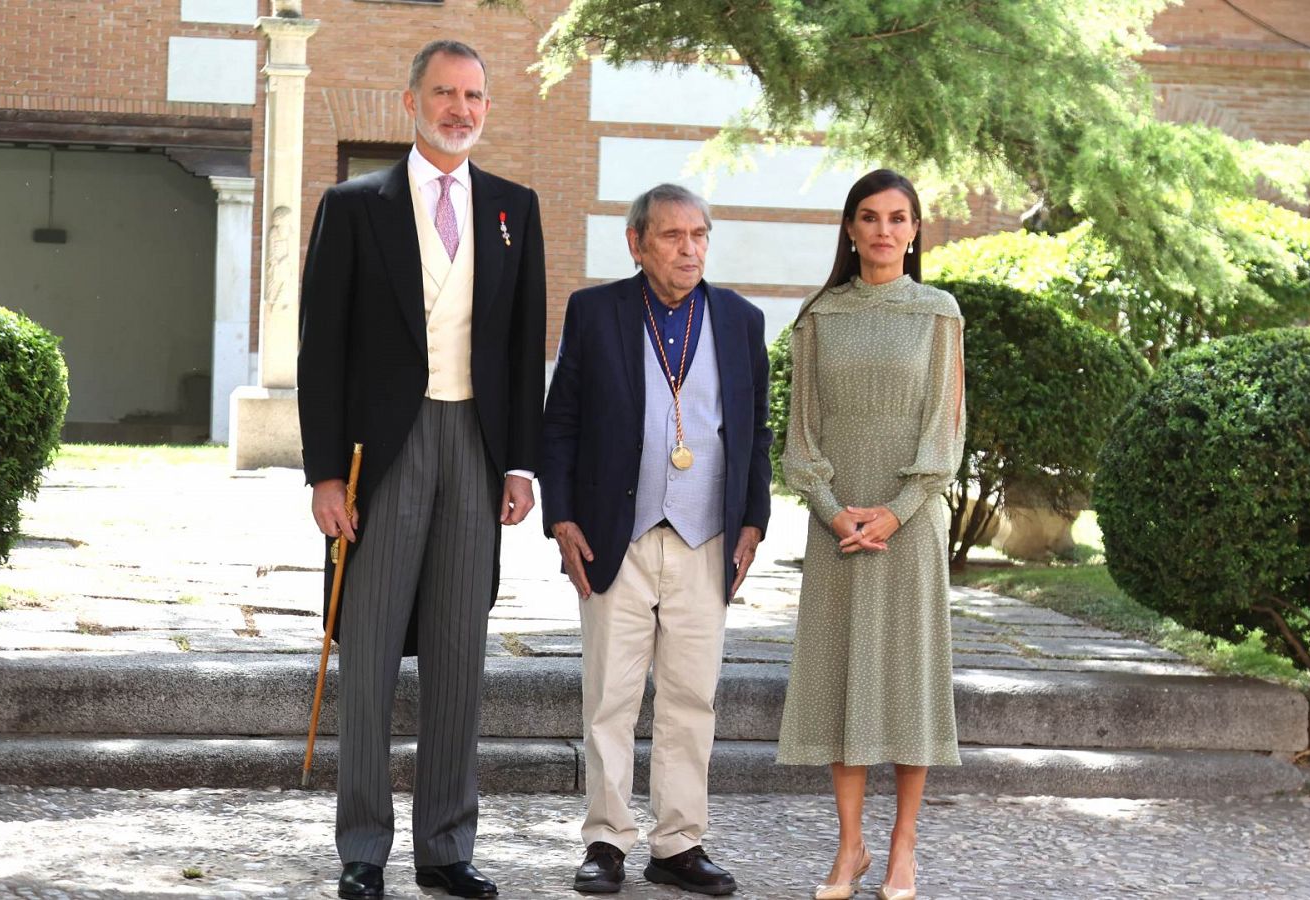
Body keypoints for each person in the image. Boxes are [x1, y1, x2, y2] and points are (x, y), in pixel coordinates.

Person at [296, 39, 546, 900]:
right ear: (411, 102)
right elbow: (321, 349)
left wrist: (520, 464)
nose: (461, 109)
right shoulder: (354, 204)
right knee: (366, 656)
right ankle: (363, 847)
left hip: (475, 451)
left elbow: (519, 350)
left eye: (474, 95)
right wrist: (325, 475)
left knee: (457, 654)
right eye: (444, 92)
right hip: (383, 455)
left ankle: (447, 848)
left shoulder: (515, 209)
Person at [540, 183, 773, 896]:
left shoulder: (739, 319)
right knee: (610, 694)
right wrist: (562, 517)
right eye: (672, 236)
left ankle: (677, 844)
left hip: (707, 536)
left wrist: (754, 522)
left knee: (690, 697)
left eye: (699, 234)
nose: (689, 248)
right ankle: (607, 840)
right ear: (637, 244)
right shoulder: (595, 311)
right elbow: (562, 425)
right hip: (619, 534)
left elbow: (756, 431)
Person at [775, 169, 966, 900]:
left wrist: (896, 510)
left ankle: (902, 846)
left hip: (908, 530)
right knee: (840, 678)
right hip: (838, 528)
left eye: (898, 218)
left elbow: (944, 433)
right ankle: (848, 846)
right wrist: (833, 510)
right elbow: (802, 434)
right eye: (869, 217)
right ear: (849, 230)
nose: (884, 230)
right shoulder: (820, 315)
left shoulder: (939, 313)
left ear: (915, 230)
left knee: (908, 682)